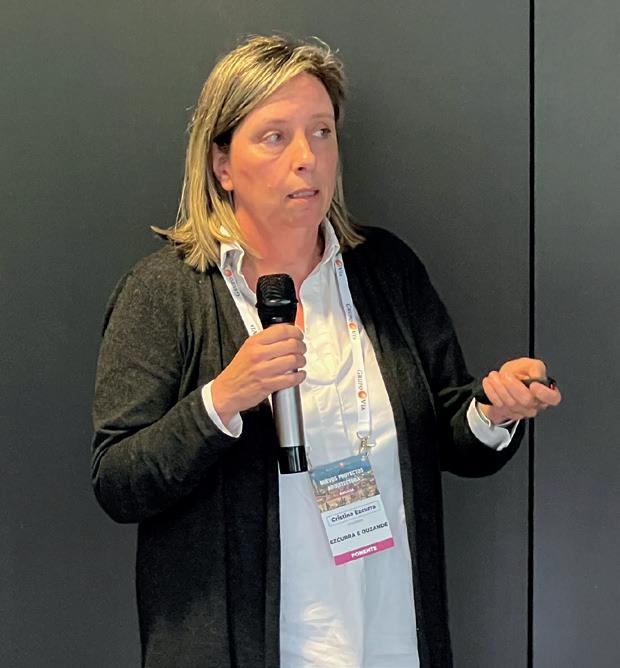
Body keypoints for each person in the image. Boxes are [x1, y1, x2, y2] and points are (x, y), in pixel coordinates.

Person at [91, 35, 561, 668]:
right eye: (275, 137)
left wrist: (492, 410)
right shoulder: (165, 292)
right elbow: (119, 482)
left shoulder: (385, 270)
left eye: (321, 132)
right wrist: (221, 400)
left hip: (389, 639)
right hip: (252, 648)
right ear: (221, 164)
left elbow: (447, 433)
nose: (306, 158)